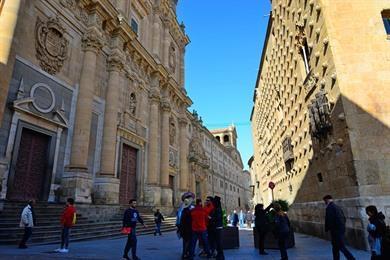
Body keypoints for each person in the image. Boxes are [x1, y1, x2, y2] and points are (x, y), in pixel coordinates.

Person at [323, 195, 356, 260]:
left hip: (335, 231)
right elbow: (344, 218)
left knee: (341, 246)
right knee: (335, 247)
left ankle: (351, 258)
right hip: (340, 229)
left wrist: (328, 229)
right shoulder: (337, 207)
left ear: (327, 200)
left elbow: (330, 220)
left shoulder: (330, 208)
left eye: (325, 201)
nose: (324, 202)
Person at [177, 192, 195, 259]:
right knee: (187, 241)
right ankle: (184, 254)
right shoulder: (184, 208)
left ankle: (186, 253)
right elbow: (180, 217)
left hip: (186, 227)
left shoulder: (183, 207)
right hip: (187, 227)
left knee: (187, 241)